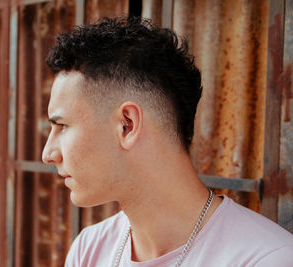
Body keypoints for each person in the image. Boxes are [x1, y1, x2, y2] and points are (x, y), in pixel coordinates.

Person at [41, 16, 293, 267]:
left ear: (126, 125)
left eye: (62, 126)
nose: (48, 154)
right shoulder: (89, 250)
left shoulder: (265, 259)